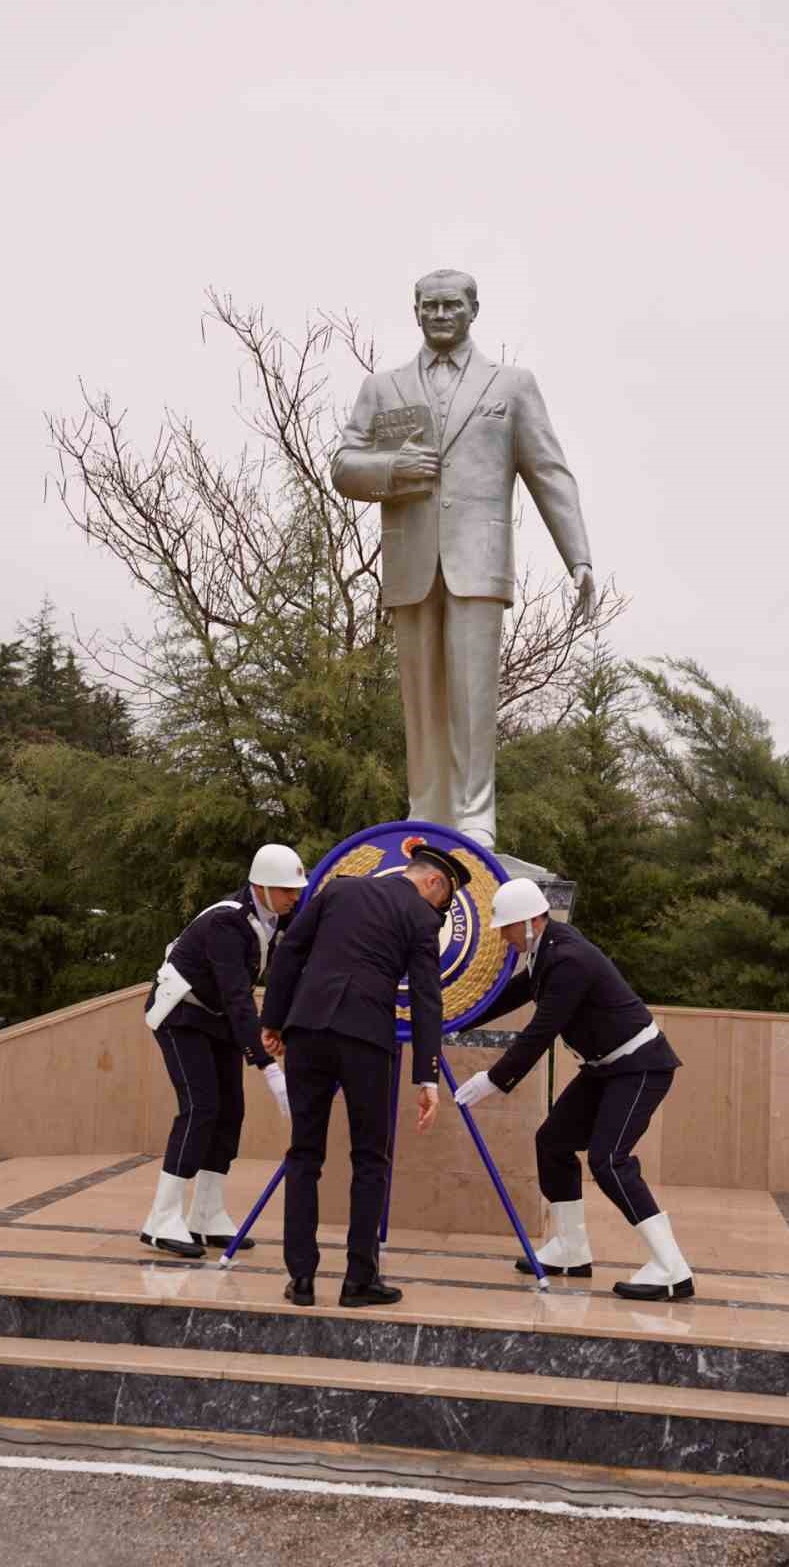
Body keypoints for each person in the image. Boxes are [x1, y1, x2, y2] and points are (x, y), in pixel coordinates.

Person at [332, 268, 596, 850]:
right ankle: (425, 810)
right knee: (420, 695)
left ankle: (476, 816)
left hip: (478, 562)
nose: (441, 314)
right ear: (416, 311)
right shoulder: (383, 387)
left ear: (474, 309)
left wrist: (577, 556)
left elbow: (548, 471)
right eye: (430, 305)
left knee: (473, 694)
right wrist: (392, 470)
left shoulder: (511, 385)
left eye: (453, 304)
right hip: (411, 563)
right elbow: (344, 465)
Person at [454, 878, 694, 1302]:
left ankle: (671, 1267)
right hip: (605, 1068)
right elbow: (511, 995)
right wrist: (454, 1018)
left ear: (530, 922)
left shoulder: (569, 958)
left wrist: (492, 1080)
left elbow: (540, 1031)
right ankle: (570, 1248)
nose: (505, 937)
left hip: (640, 1066)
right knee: (553, 1142)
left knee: (608, 1160)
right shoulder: (546, 950)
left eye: (507, 928)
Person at [260, 845, 471, 1308]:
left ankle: (301, 1279)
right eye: (444, 901)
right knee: (370, 1160)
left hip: (309, 1031)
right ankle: (359, 1279)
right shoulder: (420, 918)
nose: (440, 911)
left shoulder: (339, 889)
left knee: (304, 1154)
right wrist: (428, 1078)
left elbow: (291, 950)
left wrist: (273, 1021)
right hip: (366, 1040)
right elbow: (425, 998)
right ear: (433, 882)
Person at [139, 843, 306, 1258]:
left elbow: (287, 970)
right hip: (182, 1014)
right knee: (200, 1108)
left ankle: (206, 1214)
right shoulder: (226, 922)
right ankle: (161, 1219)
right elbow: (237, 996)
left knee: (231, 1111)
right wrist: (268, 1067)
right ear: (260, 886)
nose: (294, 896)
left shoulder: (282, 915)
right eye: (286, 889)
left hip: (217, 1019)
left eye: (296, 889)